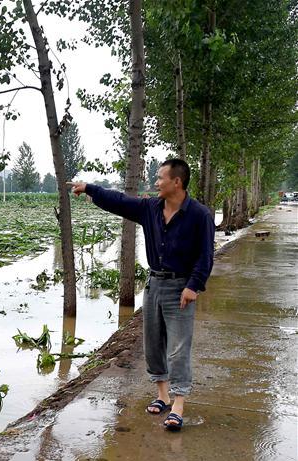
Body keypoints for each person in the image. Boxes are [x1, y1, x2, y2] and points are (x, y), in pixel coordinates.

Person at [69, 159, 215, 431]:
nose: (156, 182)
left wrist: (194, 286)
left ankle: (178, 406)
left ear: (177, 182)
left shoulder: (199, 215)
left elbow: (206, 256)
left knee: (179, 347)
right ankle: (162, 395)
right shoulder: (150, 208)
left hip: (181, 288)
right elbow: (120, 201)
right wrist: (90, 188)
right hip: (154, 285)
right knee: (153, 343)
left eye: (160, 178)